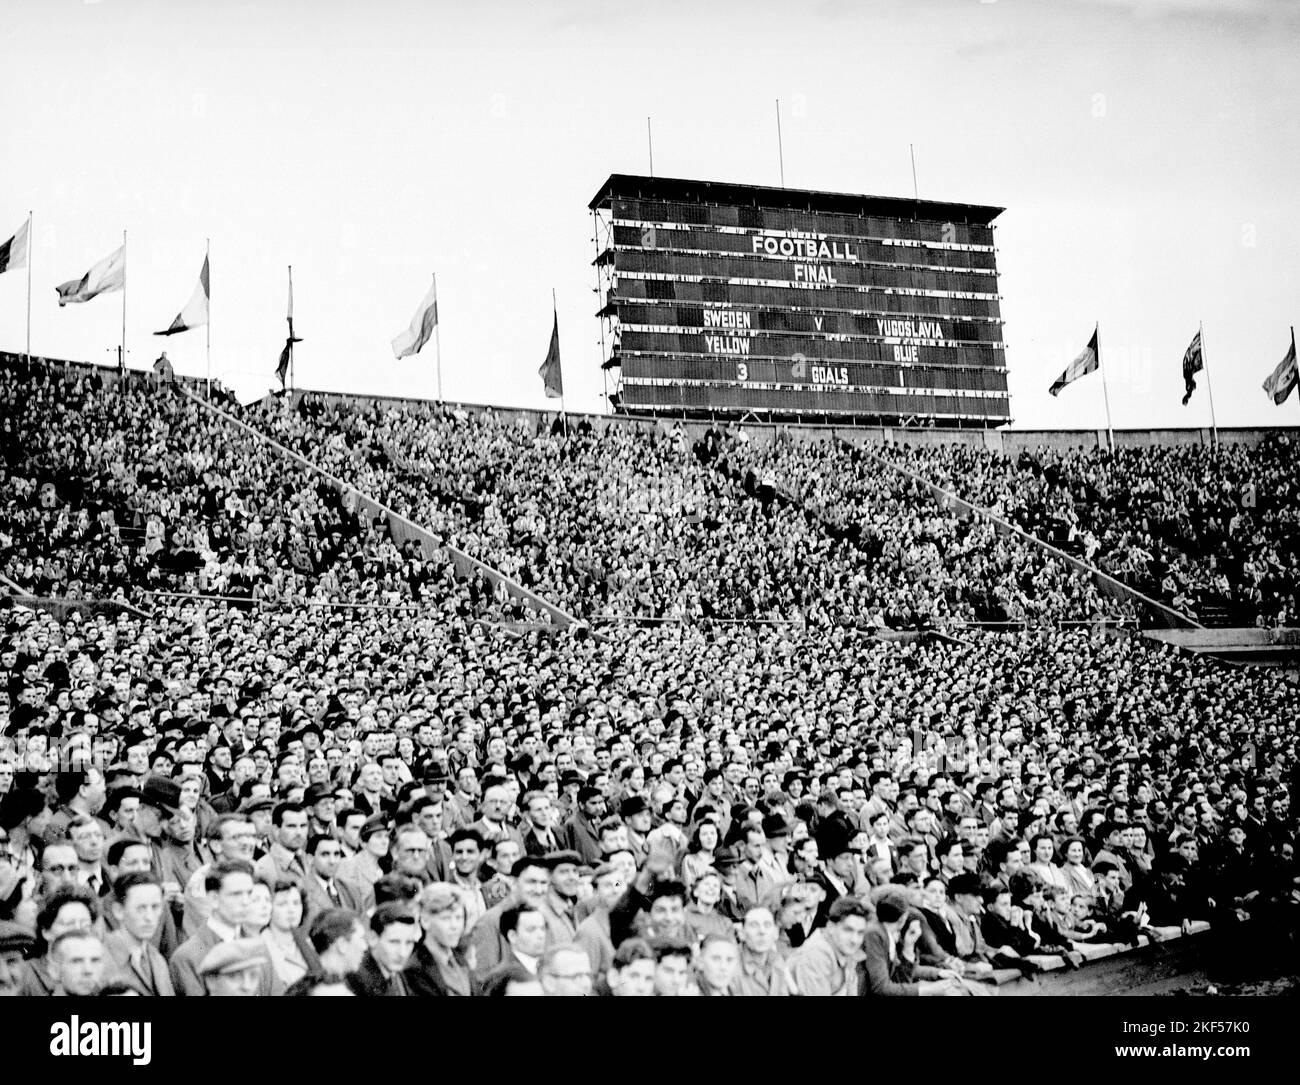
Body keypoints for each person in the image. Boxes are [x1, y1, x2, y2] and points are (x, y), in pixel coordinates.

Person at [103, 872, 174, 996]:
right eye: (141, 908)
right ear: (118, 911)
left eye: (155, 907)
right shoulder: (101, 958)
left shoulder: (157, 959)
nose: (149, 917)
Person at [786, 897, 870, 996]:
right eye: (848, 930)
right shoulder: (815, 955)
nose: (854, 940)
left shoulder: (845, 950)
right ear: (831, 927)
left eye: (860, 933)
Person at [405, 883, 475, 996]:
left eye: (458, 917)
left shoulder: (460, 960)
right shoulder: (415, 970)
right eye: (446, 918)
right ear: (425, 921)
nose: (454, 926)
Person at [347, 902, 420, 996]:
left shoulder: (399, 974)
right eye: (394, 942)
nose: (403, 953)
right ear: (373, 938)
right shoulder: (356, 983)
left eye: (409, 942)